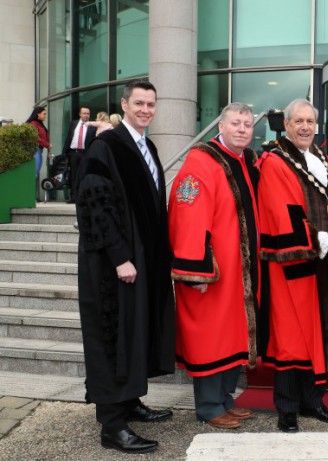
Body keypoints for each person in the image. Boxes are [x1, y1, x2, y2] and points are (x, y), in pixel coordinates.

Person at [75, 80, 175, 454]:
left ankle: (130, 400)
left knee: (135, 333)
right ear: (124, 104)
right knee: (113, 336)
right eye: (139, 103)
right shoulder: (105, 147)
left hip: (142, 261)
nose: (146, 109)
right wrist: (119, 257)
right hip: (112, 265)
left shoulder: (146, 146)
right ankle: (112, 425)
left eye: (151, 103)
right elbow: (94, 206)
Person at [257, 98, 328, 433]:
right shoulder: (275, 161)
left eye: (310, 121)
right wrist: (323, 242)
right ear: (287, 124)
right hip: (292, 258)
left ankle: (313, 400)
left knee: (317, 330)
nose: (306, 127)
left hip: (323, 256)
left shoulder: (320, 156)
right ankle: (287, 408)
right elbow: (286, 213)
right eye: (299, 121)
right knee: (291, 334)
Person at [168, 102, 260, 430]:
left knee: (231, 336)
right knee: (210, 337)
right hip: (213, 271)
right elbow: (187, 216)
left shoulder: (244, 161)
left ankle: (225, 399)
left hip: (238, 272)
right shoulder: (201, 162)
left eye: (247, 124)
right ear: (220, 126)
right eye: (235, 123)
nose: (242, 129)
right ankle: (208, 406)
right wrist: (195, 271)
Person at [63, 106, 96, 202]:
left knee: (85, 176)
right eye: (84, 113)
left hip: (85, 154)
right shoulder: (73, 124)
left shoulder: (92, 126)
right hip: (74, 153)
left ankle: (84, 197)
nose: (86, 115)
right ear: (80, 114)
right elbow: (68, 139)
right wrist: (64, 154)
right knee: (73, 176)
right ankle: (73, 197)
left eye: (88, 113)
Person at [26, 106, 51, 198]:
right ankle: (29, 196)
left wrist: (48, 150)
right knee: (34, 174)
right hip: (35, 151)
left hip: (39, 151)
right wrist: (48, 145)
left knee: (35, 174)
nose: (45, 116)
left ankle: (31, 196)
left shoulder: (40, 124)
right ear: (38, 114)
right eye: (44, 114)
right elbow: (36, 138)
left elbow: (45, 138)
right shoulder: (33, 123)